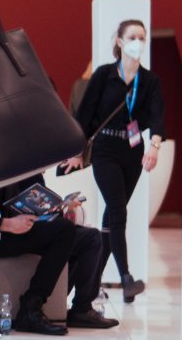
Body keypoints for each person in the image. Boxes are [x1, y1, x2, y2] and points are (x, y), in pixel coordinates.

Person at [70, 21, 167, 303]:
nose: (138, 42)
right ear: (121, 42)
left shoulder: (149, 81)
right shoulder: (103, 75)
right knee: (116, 209)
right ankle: (125, 277)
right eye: (132, 37)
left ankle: (87, 285)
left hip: (132, 151)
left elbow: (158, 116)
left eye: (142, 37)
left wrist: (155, 145)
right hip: (105, 150)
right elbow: (85, 115)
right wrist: (77, 151)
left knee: (113, 215)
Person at [0, 175, 117, 334]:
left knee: (91, 238)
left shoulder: (22, 161)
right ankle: (31, 308)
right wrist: (6, 224)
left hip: (20, 228)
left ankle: (81, 309)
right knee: (64, 230)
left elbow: (38, 200)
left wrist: (61, 207)